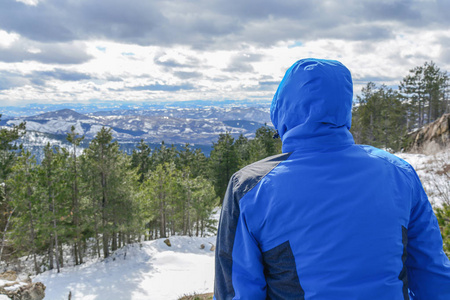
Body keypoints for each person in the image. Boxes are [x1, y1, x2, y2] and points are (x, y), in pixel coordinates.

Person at [213, 58, 450, 299]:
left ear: (282, 108)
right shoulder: (399, 173)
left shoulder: (250, 187)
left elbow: (237, 292)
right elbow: (433, 276)